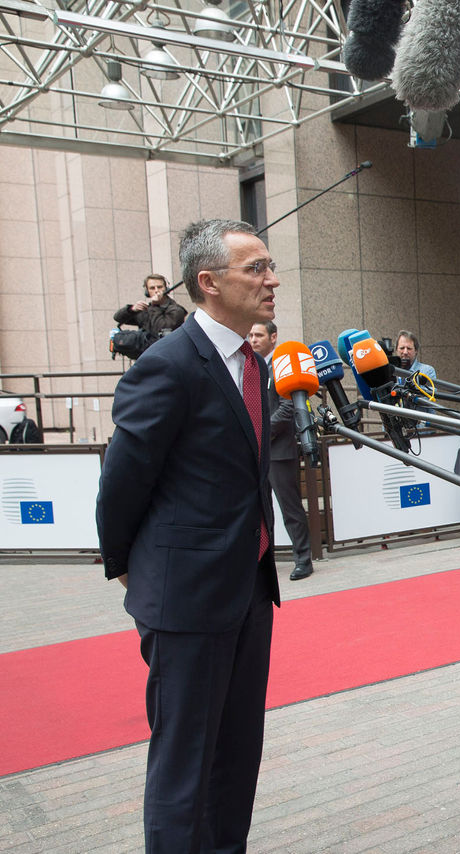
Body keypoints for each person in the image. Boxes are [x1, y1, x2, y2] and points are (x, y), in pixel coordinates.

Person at [97, 218, 281, 852]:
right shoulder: (167, 365)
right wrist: (126, 563)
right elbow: (122, 478)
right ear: (208, 282)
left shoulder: (252, 363)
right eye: (255, 268)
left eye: (269, 266)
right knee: (184, 768)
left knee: (237, 758)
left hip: (250, 593)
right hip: (186, 599)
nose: (271, 279)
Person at [249, 320, 315, 581]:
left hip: (279, 451)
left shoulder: (283, 367)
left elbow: (288, 409)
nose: (253, 339)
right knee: (260, 510)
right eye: (251, 335)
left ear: (273, 337)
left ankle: (303, 559)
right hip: (257, 452)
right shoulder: (251, 368)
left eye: (259, 335)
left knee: (290, 508)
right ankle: (266, 560)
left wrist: (261, 431)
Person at [113, 273, 187, 337]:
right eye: (152, 288)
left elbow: (160, 329)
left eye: (160, 287)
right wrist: (131, 309)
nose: (156, 290)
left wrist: (155, 305)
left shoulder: (176, 310)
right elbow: (118, 318)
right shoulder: (146, 310)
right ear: (147, 292)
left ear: (166, 289)